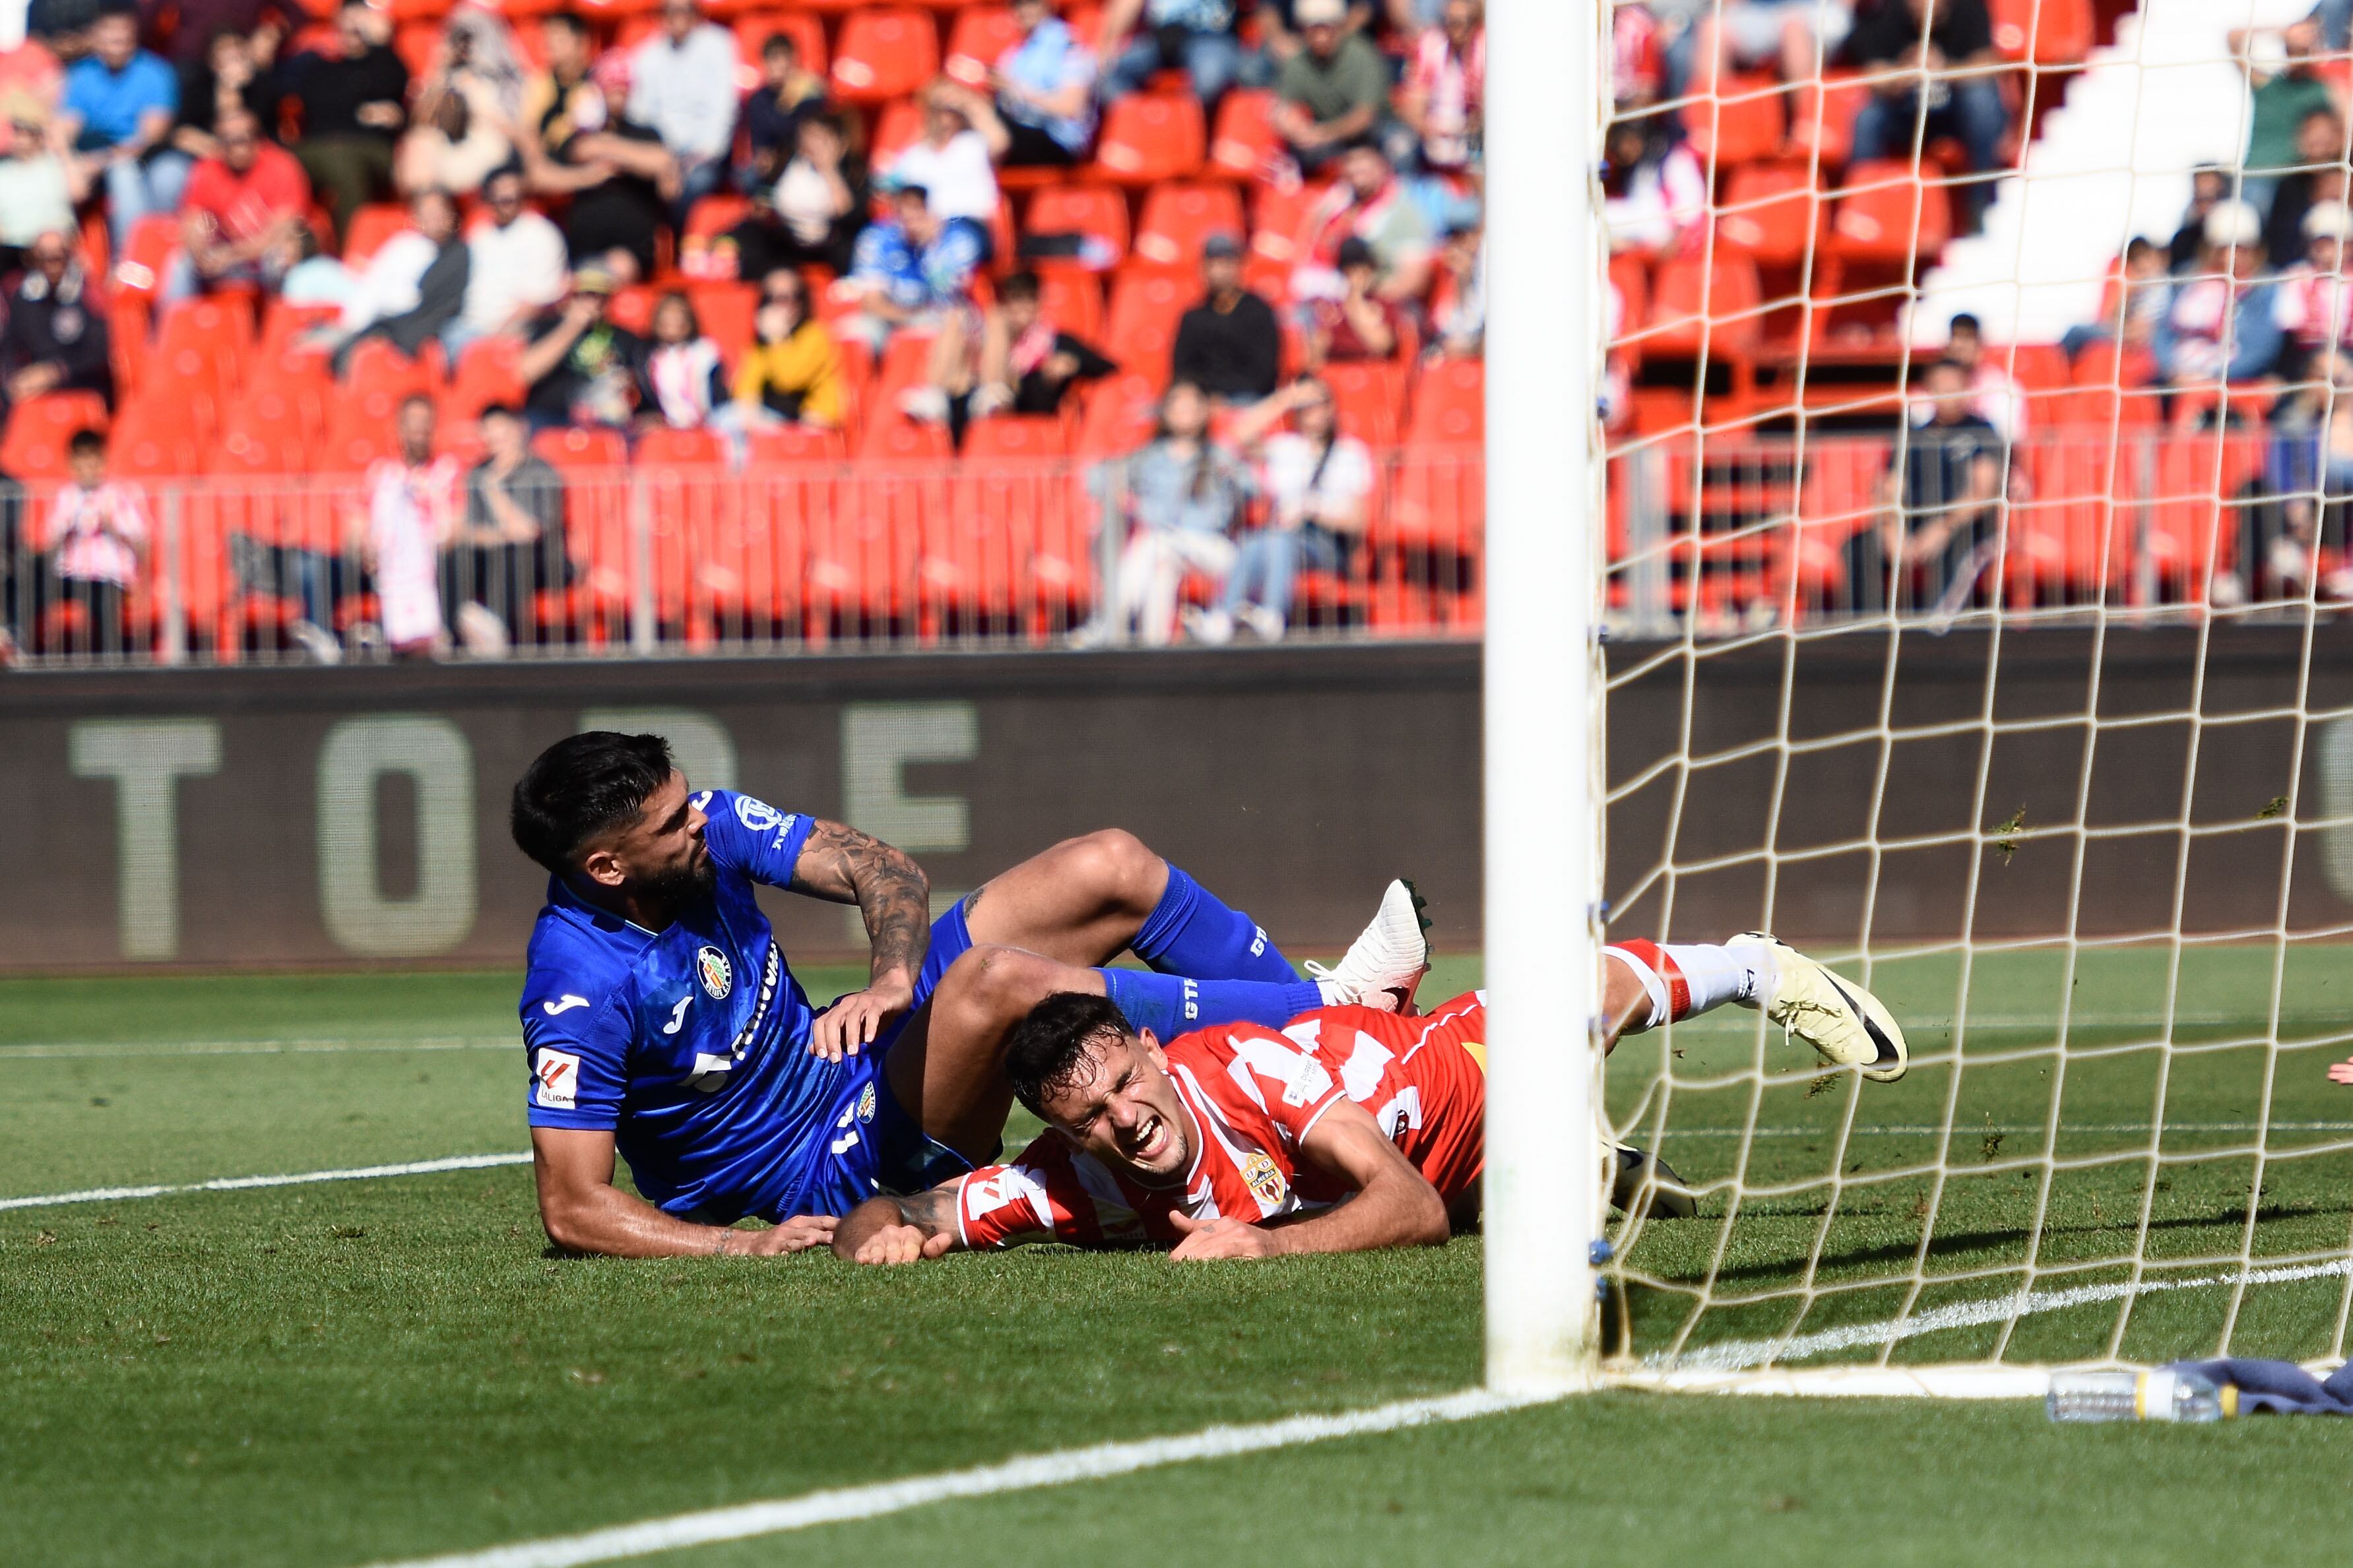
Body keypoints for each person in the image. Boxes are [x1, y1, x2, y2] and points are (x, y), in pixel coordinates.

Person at [509, 729, 1431, 1254]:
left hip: (867, 1062)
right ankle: (1343, 1015)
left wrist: (893, 975)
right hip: (829, 1169)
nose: (701, 819)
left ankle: (1319, 1019)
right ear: (605, 865)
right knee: (995, 984)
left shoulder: (709, 828)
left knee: (1106, 863)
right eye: (676, 822)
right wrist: (734, 1245)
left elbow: (885, 870)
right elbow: (572, 1206)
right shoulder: (576, 984)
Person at [833, 934, 1910, 1263]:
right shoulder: (1072, 1184)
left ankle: (1753, 969)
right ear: (1063, 1133)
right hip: (1454, 1174)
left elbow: (1410, 1213)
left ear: (1154, 1052)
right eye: (1092, 1119)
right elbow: (904, 1214)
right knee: (1517, 1186)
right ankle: (1580, 1166)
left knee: (1554, 1005)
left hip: (1438, 1090)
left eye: (1126, 1083)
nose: (1126, 1119)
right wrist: (877, 1233)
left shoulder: (1244, 1076)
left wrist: (1261, 1251)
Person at [1198, 376, 1372, 642]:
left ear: (1332, 408)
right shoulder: (1284, 447)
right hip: (1281, 537)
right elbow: (1236, 437)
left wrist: (1311, 511)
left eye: (1321, 404)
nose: (1315, 412)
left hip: (1326, 542)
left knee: (1275, 540)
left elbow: (1358, 521)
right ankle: (1223, 615)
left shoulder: (1351, 453)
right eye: (1307, 406)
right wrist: (1284, 400)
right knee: (1251, 542)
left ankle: (1272, 613)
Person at [1089, 379, 1254, 646]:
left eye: (1192, 407)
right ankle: (1156, 647)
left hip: (1212, 548)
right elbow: (1094, 479)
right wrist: (1117, 486)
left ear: (1204, 413)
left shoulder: (1218, 454)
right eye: (1179, 407)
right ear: (1166, 413)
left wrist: (1233, 474)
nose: (1185, 413)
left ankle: (1109, 623)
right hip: (1164, 547)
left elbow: (1252, 488)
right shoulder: (1148, 457)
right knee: (1162, 564)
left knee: (1155, 542)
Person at [520, 11, 676, 279]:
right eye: (609, 87)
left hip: (629, 250)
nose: (616, 95)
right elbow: (540, 175)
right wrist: (588, 176)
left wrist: (605, 146)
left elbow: (664, 165)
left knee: (606, 273)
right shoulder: (579, 134)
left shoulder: (644, 133)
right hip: (581, 249)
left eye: (621, 88)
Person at [1846, 358, 2007, 615]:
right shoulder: (1913, 436)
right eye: (1940, 386)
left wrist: (1943, 527)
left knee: (1955, 552)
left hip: (1965, 525)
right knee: (1858, 547)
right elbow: (1889, 488)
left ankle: (1938, 631)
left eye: (1953, 386)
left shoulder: (1982, 431)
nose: (1947, 394)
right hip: (1915, 518)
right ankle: (1865, 627)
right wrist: (1891, 530)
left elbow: (1982, 491)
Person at [1845, 0, 2006, 228]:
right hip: (1904, 112)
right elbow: (1875, 76)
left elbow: (1987, 66)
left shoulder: (1969, 10)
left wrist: (1943, 69)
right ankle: (1862, 208)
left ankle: (1981, 203)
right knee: (1868, 117)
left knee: (1981, 102)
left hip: (1955, 112)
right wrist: (1910, 70)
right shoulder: (1886, 16)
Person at [269, 0, 408, 243]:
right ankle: (281, 250)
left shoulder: (383, 61)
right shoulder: (315, 66)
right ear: (336, 24)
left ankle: (354, 251)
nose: (354, 24)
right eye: (348, 18)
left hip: (368, 149)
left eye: (360, 18)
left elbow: (395, 84)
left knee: (342, 158)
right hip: (317, 146)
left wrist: (378, 45)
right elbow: (275, 85)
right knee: (274, 161)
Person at [346, 394, 463, 658]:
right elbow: (357, 525)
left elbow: (455, 524)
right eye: (413, 423)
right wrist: (366, 549)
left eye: (425, 424)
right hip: (385, 559)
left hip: (434, 557)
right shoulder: (381, 472)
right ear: (400, 428)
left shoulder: (447, 469)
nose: (419, 432)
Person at [445, 403, 567, 655]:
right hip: (491, 553)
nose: (497, 442)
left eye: (503, 433)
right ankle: (450, 629)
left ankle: (493, 625)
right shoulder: (477, 473)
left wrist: (495, 489)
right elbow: (467, 530)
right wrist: (498, 536)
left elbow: (530, 532)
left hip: (540, 559)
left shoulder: (541, 472)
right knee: (454, 557)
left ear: (520, 430)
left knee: (513, 555)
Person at [59, 8, 180, 248]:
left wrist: (100, 161)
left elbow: (150, 137)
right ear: (97, 39)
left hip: (145, 156)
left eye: (123, 40)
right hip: (92, 154)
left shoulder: (156, 73)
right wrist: (70, 165)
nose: (117, 47)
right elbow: (63, 129)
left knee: (161, 175)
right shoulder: (81, 75)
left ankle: (141, 253)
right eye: (111, 40)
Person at [168, 107, 309, 301]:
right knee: (181, 263)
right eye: (228, 141)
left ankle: (279, 326)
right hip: (226, 255)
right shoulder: (207, 169)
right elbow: (193, 220)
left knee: (281, 256)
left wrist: (233, 255)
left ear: (258, 139)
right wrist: (201, 253)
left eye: (243, 140)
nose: (237, 148)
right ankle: (179, 325)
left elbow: (282, 232)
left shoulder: (283, 167)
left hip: (263, 256)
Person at [2154, 201, 2285, 393]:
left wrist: (2211, 377)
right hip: (2178, 378)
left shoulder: (2266, 287)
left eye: (2239, 248)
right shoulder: (2187, 279)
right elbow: (2162, 333)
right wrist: (2174, 371)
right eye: (2222, 248)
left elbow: (2262, 348)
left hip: (2234, 383)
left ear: (2255, 250)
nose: (2229, 257)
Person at [626, 0, 738, 222]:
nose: (678, 16)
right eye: (671, 10)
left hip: (704, 156)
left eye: (684, 9)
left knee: (692, 186)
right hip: (660, 152)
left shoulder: (719, 45)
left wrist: (696, 158)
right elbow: (639, 113)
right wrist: (662, 162)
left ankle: (680, 248)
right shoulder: (648, 53)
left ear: (696, 12)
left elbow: (723, 110)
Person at [843, 182, 987, 354]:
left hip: (942, 316)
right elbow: (872, 303)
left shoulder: (957, 239)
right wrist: (913, 319)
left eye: (918, 208)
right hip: (892, 316)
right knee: (859, 332)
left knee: (958, 325)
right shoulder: (877, 238)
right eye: (905, 208)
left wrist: (932, 247)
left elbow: (951, 298)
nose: (911, 217)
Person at [723, 110, 866, 280]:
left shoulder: (852, 171)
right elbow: (765, 195)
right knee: (751, 234)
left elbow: (849, 213)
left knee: (847, 249)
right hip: (787, 236)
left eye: (819, 137)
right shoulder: (786, 161)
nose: (812, 143)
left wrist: (828, 169)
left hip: (827, 239)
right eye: (808, 135)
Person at [332, 187, 469, 366]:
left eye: (438, 211)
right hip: (376, 325)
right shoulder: (401, 246)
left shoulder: (459, 254)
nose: (433, 218)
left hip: (410, 332)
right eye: (427, 212)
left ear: (451, 214)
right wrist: (352, 326)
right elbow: (372, 287)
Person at [40, 427, 146, 658]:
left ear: (102, 462)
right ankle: (20, 647)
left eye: (92, 463)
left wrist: (112, 527)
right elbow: (49, 547)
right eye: (81, 465)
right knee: (31, 587)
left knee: (104, 601)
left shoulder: (121, 495)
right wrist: (66, 530)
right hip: (71, 573)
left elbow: (142, 545)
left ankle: (112, 660)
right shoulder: (65, 497)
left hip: (107, 575)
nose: (87, 471)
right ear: (71, 465)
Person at [1292, 141, 1434, 305]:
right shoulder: (1336, 202)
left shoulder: (1403, 212)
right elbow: (1306, 247)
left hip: (1376, 305)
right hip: (1323, 299)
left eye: (1364, 162)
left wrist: (1362, 295)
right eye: (1351, 161)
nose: (1356, 169)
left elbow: (1413, 281)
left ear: (1383, 166)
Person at [451, 163, 567, 354]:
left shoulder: (542, 234)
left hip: (515, 331)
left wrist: (494, 339)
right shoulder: (480, 235)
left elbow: (537, 302)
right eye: (502, 197)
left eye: (514, 195)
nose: (509, 199)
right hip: (467, 325)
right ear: (488, 198)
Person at [971, 269, 1116, 417]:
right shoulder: (987, 342)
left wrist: (1073, 364)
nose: (1024, 306)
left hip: (1038, 426)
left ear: (1039, 302)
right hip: (990, 426)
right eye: (1017, 299)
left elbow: (1106, 367)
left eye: (1030, 298)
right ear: (1004, 304)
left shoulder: (1054, 342)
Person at [518, 265, 645, 431]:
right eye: (585, 295)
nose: (592, 302)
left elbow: (638, 388)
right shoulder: (547, 328)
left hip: (605, 421)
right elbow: (527, 372)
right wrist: (573, 325)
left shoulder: (626, 339)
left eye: (599, 296)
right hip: (551, 418)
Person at [2232, 20, 2339, 221]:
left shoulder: (2324, 90)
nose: (2298, 55)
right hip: (2258, 177)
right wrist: (2280, 32)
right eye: (2293, 49)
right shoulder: (2267, 85)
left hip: (2297, 180)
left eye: (2303, 49)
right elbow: (2232, 40)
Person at [1273, 0, 1389, 175]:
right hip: (1327, 138)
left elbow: (1364, 117)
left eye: (1327, 28)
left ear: (1340, 27)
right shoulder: (1298, 63)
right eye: (1314, 30)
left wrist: (1322, 134)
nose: (1321, 37)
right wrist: (1294, 128)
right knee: (1297, 156)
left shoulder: (1363, 56)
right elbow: (1284, 109)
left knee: (1398, 144)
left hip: (1369, 134)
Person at [977, 0, 1095, 168]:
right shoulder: (1014, 53)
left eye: (1031, 2)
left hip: (1055, 139)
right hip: (1019, 131)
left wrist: (1018, 90)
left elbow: (1071, 108)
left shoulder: (1068, 44)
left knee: (979, 129)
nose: (1023, 9)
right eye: (1017, 4)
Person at [1, 230, 112, 411]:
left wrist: (57, 371)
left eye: (58, 257)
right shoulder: (24, 296)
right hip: (34, 380)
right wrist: (18, 376)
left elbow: (100, 351)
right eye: (45, 257)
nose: (52, 264)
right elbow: (11, 344)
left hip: (78, 380)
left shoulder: (88, 294)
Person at [879, 81, 1000, 239]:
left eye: (950, 110)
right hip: (923, 228)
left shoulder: (973, 144)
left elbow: (1000, 141)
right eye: (939, 109)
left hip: (967, 225)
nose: (945, 117)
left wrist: (968, 102)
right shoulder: (917, 154)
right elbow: (887, 183)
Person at [1171, 232, 1281, 402]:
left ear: (1239, 266)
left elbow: (1264, 373)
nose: (1219, 271)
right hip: (1201, 400)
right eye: (1213, 264)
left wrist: (1222, 398)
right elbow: (1183, 369)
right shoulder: (1194, 316)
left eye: (1226, 264)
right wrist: (1205, 397)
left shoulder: (1259, 313)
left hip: (1248, 398)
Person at [729, 268, 845, 431]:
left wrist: (777, 340)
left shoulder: (816, 334)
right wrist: (748, 410)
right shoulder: (762, 340)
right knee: (728, 419)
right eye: (777, 298)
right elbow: (746, 386)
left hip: (811, 418)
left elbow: (791, 380)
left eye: (795, 296)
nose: (787, 304)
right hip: (774, 416)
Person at [1097, 0, 1247, 106]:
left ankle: (1186, 131)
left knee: (1210, 78)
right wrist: (1108, 46)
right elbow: (1129, 3)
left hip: (1212, 37)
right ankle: (1147, 124)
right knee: (1111, 73)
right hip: (1161, 38)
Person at [1396, 0, 1483, 175]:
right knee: (1401, 145)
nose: (1455, 29)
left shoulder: (1487, 49)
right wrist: (1425, 126)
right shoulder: (1431, 44)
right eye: (1449, 22)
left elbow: (1486, 107)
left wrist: (1466, 128)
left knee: (1479, 150)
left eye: (1461, 23)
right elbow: (1413, 100)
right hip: (1437, 126)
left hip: (1472, 128)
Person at [0, 92, 84, 269]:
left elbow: (78, 193)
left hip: (54, 248)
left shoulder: (55, 165)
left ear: (38, 136)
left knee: (52, 251)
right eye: (17, 133)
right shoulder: (4, 171)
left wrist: (63, 150)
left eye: (27, 134)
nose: (20, 140)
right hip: (14, 249)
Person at [2259, 105, 2347, 266]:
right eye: (2313, 134)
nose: (2320, 142)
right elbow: (2280, 247)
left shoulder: (2348, 173)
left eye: (2327, 135)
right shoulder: (2290, 185)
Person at [2272, 201, 2353, 376]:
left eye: (2333, 242)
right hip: (2306, 357)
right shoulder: (2297, 276)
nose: (2324, 250)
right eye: (2319, 242)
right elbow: (2290, 325)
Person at [739, 28, 826, 188]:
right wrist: (765, 159)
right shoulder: (758, 101)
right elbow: (761, 146)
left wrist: (792, 98)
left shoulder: (810, 96)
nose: (777, 65)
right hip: (775, 165)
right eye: (772, 59)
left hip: (805, 161)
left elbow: (807, 136)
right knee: (746, 177)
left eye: (782, 59)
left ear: (793, 61)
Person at [1302, 236, 1400, 367]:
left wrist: (1355, 301)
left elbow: (1381, 345)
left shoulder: (1385, 304)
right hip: (1332, 372)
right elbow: (1313, 357)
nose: (1356, 278)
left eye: (1363, 272)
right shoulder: (1327, 306)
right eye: (1349, 272)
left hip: (1371, 372)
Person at [636, 291, 728, 431]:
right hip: (662, 426)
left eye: (678, 314)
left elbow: (718, 397)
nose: (673, 320)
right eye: (666, 314)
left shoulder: (706, 353)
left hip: (708, 424)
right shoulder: (644, 355)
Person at [1927, 311, 2023, 440]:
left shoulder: (2003, 387)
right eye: (1955, 337)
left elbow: (2010, 437)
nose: (1959, 345)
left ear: (1980, 343)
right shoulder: (1928, 386)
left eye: (1967, 338)